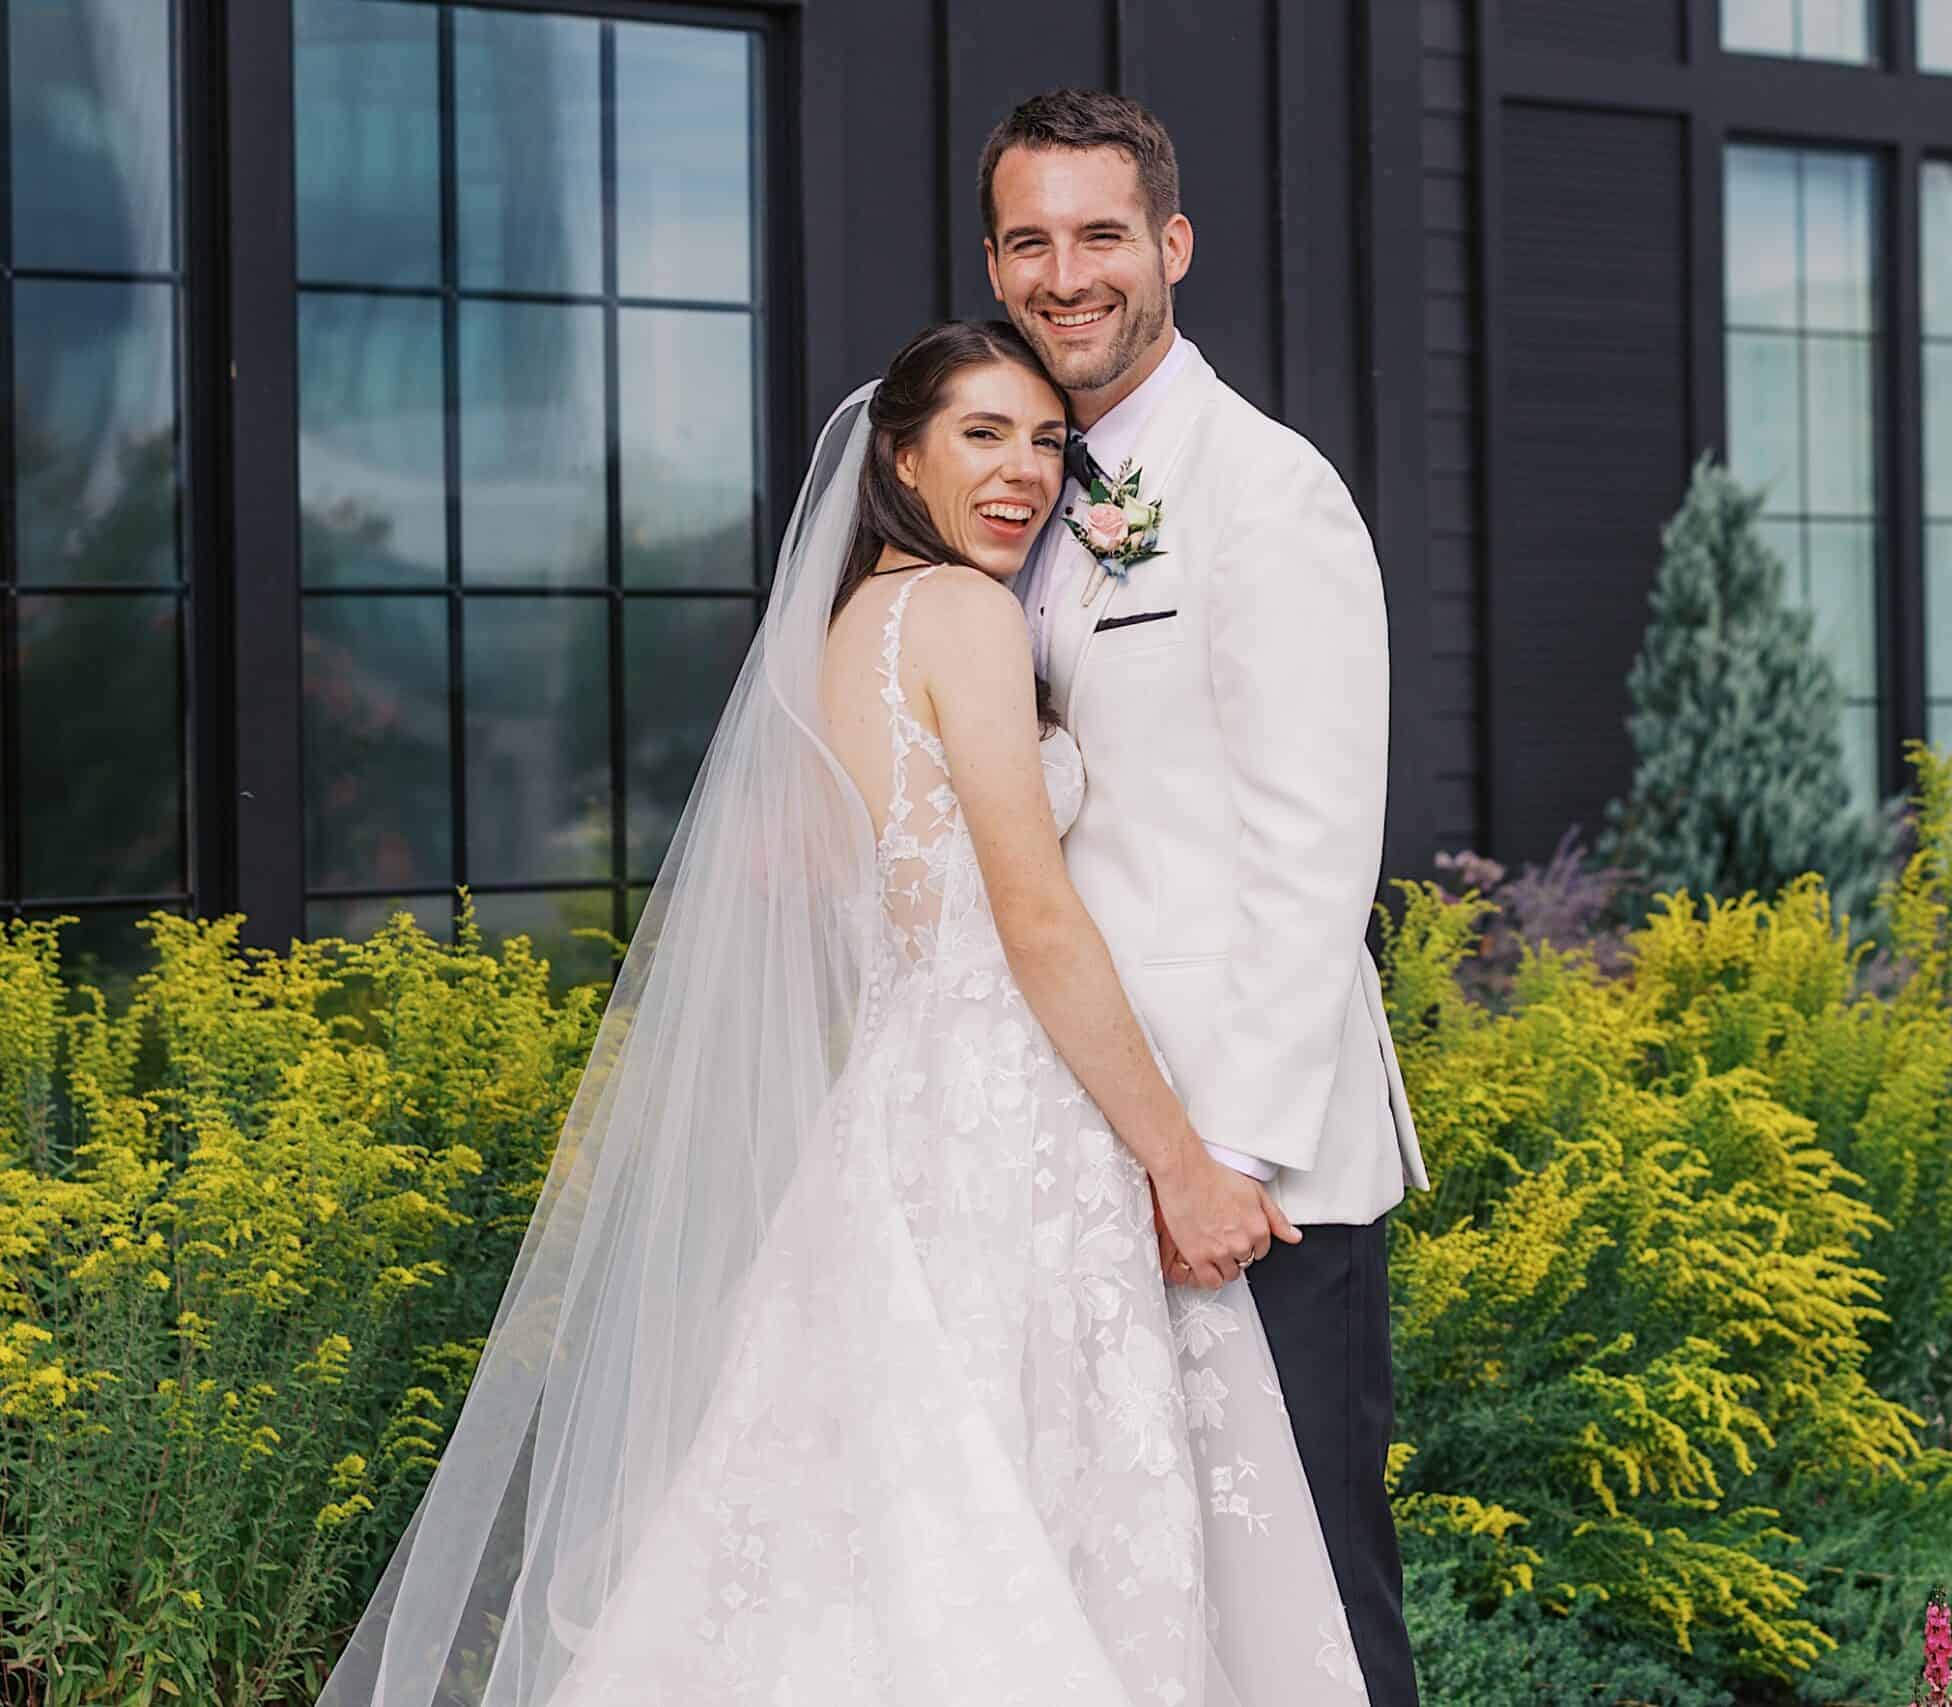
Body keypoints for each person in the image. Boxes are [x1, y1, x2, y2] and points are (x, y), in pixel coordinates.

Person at [315, 318, 1370, 1704]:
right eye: (983, 436)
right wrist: (1182, 1159)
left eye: (1047, 441)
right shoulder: (965, 615)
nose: (1026, 473)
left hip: (895, 1118)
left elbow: (830, 891)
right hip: (1009, 1125)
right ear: (901, 453)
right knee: (1014, 1527)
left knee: (874, 1524)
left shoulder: (843, 635)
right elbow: (1036, 921)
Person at [983, 89, 1428, 1706]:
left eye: (1101, 234)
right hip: (1070, 1134)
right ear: (997, 261)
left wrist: (1219, 1159)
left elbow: (1316, 854)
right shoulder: (1017, 490)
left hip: (1257, 1169)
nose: (1065, 272)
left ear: (1171, 245)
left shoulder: (1267, 489)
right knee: (1132, 1594)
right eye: (1030, 241)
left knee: (1307, 1588)